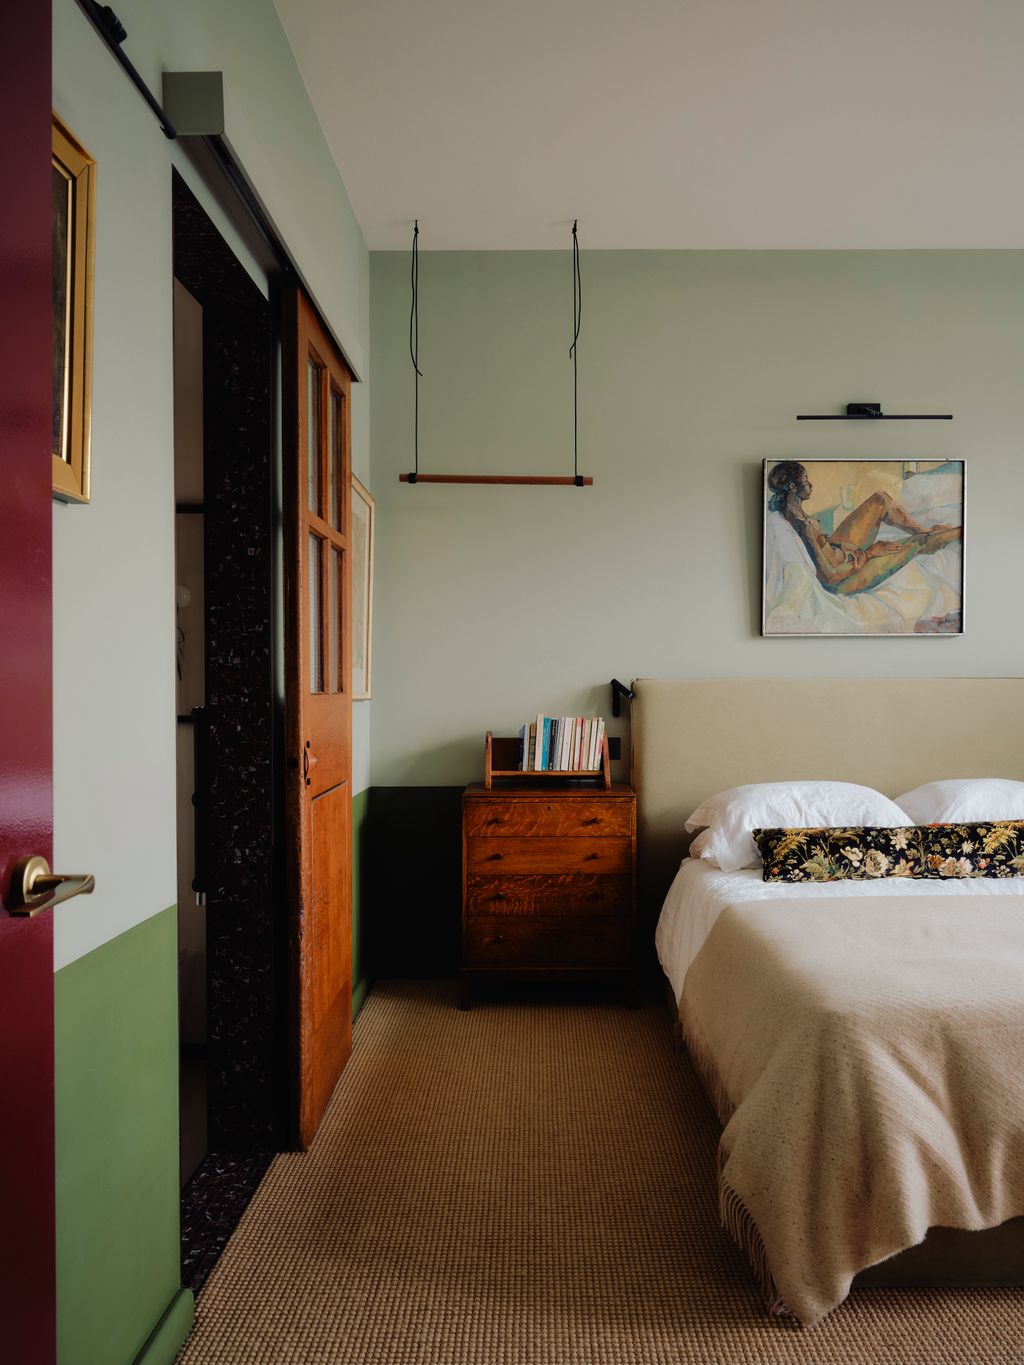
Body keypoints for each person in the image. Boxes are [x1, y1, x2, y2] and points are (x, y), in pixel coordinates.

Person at [767, 461, 961, 597]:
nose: (810, 484)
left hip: (843, 556)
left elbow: (818, 544)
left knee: (880, 499)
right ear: (793, 486)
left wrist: (840, 544)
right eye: (805, 480)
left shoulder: (793, 514)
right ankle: (961, 532)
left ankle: (925, 531)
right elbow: (829, 575)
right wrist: (870, 553)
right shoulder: (803, 526)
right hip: (843, 579)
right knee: (916, 544)